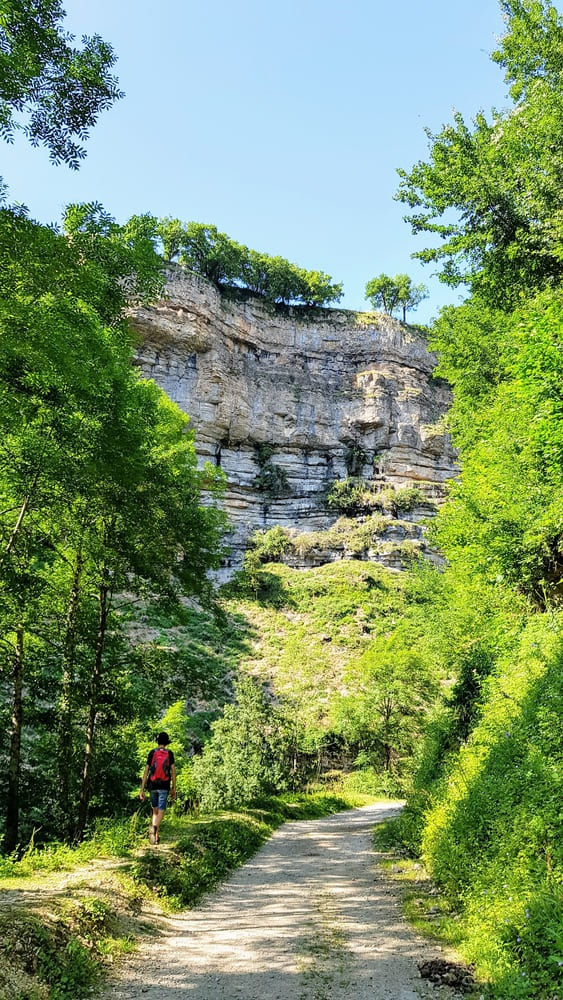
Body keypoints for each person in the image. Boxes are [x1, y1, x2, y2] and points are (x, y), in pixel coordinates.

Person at [140, 731, 176, 844]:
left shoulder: (152, 753)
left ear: (158, 742)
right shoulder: (169, 753)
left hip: (152, 785)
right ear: (166, 743)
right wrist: (174, 787)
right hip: (164, 786)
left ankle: (155, 837)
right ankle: (154, 827)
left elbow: (146, 771)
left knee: (155, 811)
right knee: (161, 811)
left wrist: (142, 789)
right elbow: (173, 771)